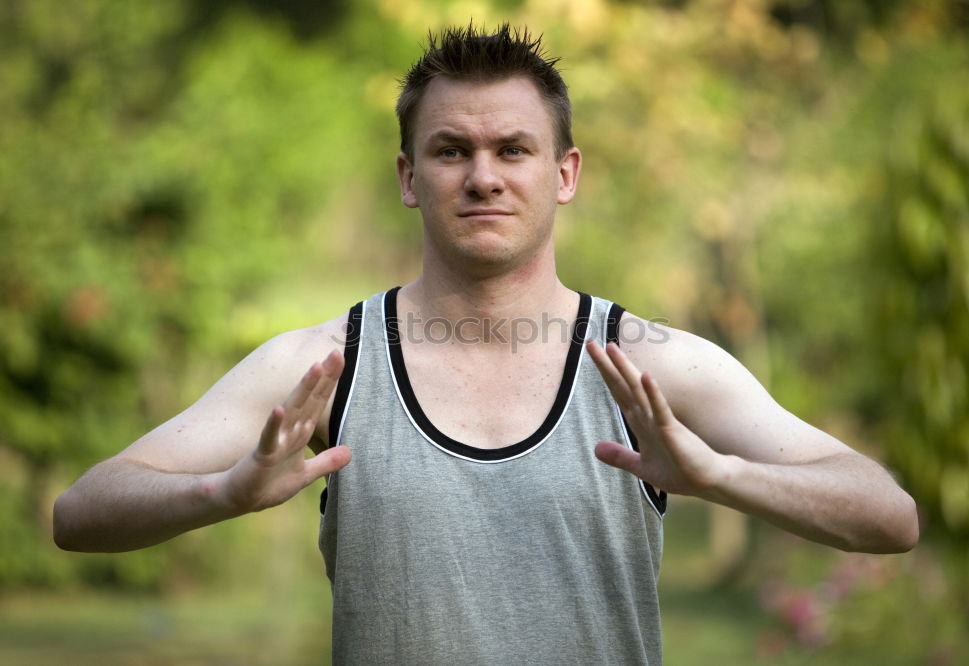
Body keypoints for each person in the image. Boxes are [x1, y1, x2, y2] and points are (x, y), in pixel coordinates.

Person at [54, 24, 919, 664]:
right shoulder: (324, 366)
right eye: (449, 150)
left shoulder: (649, 363)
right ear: (407, 177)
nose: (483, 175)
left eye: (514, 148)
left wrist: (720, 476)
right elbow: (81, 514)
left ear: (564, 173)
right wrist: (224, 490)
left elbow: (888, 516)